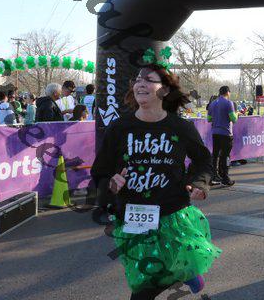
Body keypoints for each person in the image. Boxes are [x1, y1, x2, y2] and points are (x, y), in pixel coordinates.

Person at [91, 64, 220, 299]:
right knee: (145, 279)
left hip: (172, 213)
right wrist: (111, 183)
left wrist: (199, 184)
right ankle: (184, 272)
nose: (141, 83)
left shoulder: (180, 127)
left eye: (149, 80)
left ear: (165, 90)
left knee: (145, 289)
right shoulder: (119, 128)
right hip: (134, 215)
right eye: (138, 79)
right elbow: (100, 171)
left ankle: (183, 271)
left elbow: (203, 160)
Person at [207, 86, 237, 186]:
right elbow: (233, 119)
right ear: (227, 92)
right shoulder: (229, 103)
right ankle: (225, 178)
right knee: (226, 156)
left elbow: (209, 119)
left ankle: (213, 177)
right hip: (226, 133)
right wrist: (237, 114)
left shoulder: (212, 103)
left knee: (215, 155)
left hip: (215, 133)